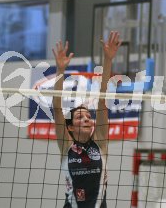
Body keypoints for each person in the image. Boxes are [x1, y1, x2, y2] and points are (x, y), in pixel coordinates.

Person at [52, 32, 122, 208]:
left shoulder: (100, 142)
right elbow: (57, 107)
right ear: (69, 127)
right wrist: (60, 70)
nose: (86, 119)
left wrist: (108, 60)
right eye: (79, 116)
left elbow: (102, 99)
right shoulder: (66, 145)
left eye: (88, 116)